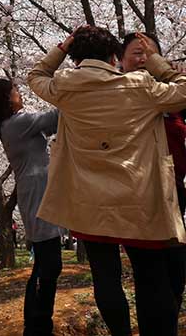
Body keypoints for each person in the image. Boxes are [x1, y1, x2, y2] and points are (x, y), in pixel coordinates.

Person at [28, 26, 186, 336]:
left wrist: (63, 46)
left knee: (105, 278)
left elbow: (35, 75)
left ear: (74, 59)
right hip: (137, 198)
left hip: (89, 203)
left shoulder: (64, 89)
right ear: (115, 57)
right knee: (151, 276)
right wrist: (156, 62)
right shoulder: (139, 87)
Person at [0, 78, 63, 336]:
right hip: (38, 195)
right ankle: (38, 325)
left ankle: (37, 324)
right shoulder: (18, 122)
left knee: (45, 262)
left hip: (36, 194)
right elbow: (55, 119)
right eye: (16, 90)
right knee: (48, 263)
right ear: (7, 98)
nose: (20, 93)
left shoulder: (11, 125)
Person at [122, 32, 186, 322]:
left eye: (150, 52)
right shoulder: (120, 93)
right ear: (120, 61)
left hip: (173, 194)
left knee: (175, 273)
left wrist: (168, 75)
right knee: (151, 276)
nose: (144, 58)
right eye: (136, 52)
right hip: (138, 195)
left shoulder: (171, 97)